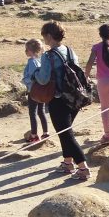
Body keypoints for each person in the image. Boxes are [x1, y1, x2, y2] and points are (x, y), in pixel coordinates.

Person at [34, 20, 90, 180]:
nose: (44, 39)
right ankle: (67, 162)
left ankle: (83, 167)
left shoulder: (48, 56)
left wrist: (34, 74)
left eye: (44, 36)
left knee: (66, 134)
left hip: (58, 100)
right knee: (64, 132)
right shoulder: (70, 51)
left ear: (49, 36)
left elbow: (44, 79)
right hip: (75, 98)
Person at [22, 39, 49, 142]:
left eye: (26, 49)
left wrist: (25, 80)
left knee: (32, 113)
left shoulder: (32, 62)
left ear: (31, 50)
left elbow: (33, 77)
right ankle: (45, 133)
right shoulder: (41, 60)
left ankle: (34, 135)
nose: (25, 51)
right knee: (41, 112)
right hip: (41, 91)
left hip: (33, 91)